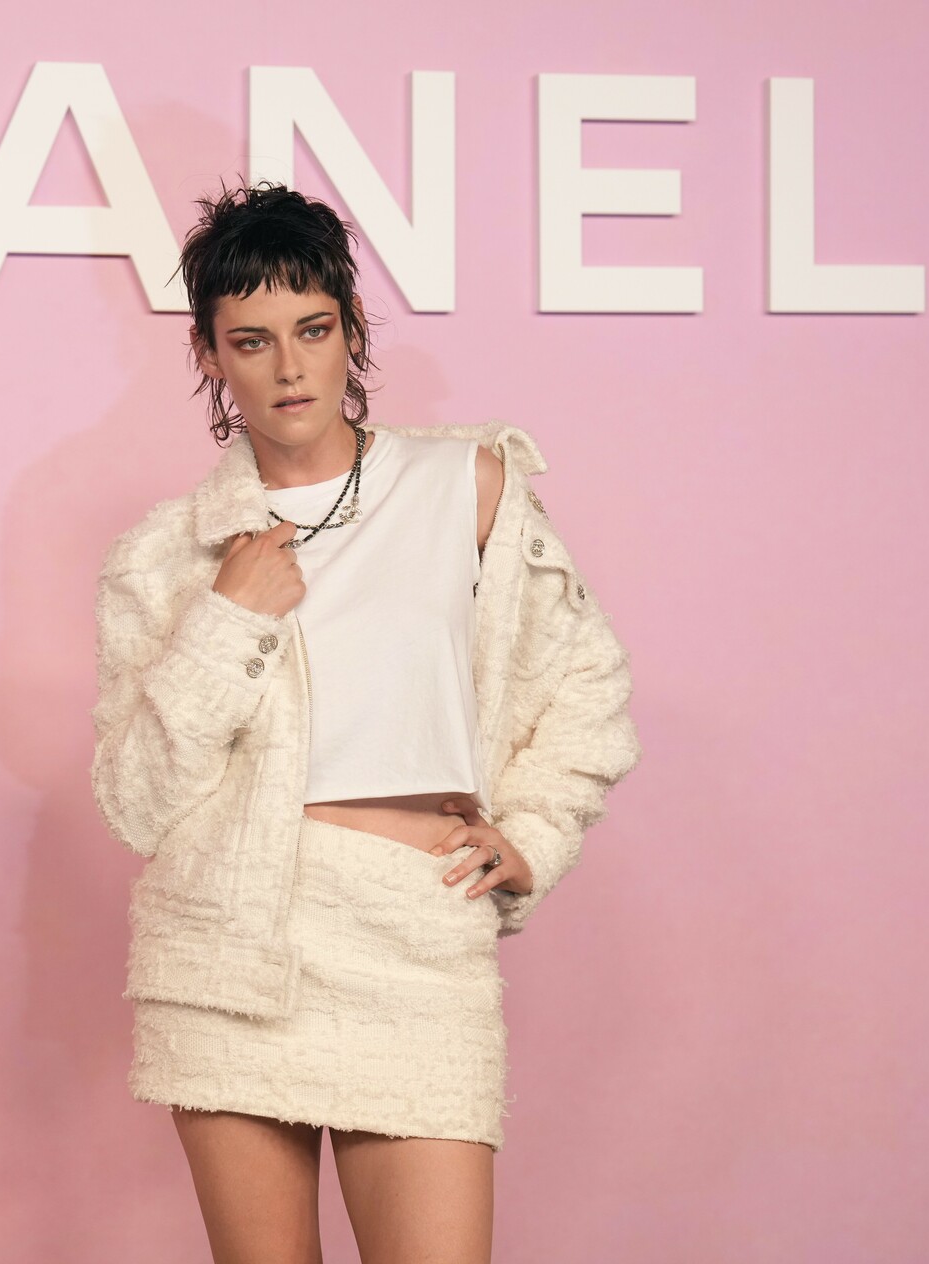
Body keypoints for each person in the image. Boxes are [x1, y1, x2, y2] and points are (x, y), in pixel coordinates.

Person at [89, 179, 643, 1263]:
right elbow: (137, 801)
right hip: (232, 950)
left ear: (351, 328)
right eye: (251, 341)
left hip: (415, 936)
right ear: (208, 355)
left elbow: (588, 688)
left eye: (313, 330)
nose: (289, 368)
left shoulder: (466, 485)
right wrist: (225, 621)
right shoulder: (165, 556)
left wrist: (534, 834)